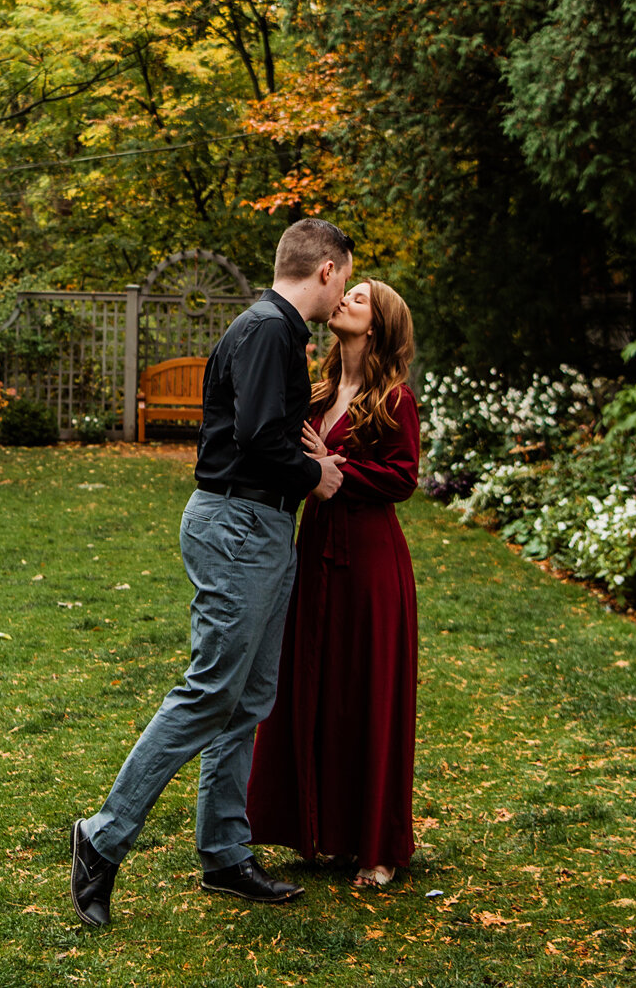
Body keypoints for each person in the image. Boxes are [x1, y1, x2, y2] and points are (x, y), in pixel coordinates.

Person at [69, 218, 354, 928]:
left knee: (248, 696)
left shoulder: (278, 331)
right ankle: (102, 836)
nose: (344, 288)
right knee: (208, 691)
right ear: (325, 270)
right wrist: (313, 471)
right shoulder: (266, 329)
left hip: (261, 526)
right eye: (345, 276)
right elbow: (259, 442)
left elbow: (259, 427)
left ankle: (225, 852)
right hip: (237, 523)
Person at [245, 279, 420, 888]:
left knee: (366, 691)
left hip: (371, 565)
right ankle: (317, 830)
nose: (345, 298)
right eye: (348, 291)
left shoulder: (394, 399)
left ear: (377, 325)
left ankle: (377, 846)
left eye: (360, 298)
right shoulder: (318, 395)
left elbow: (402, 478)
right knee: (312, 683)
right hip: (315, 548)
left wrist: (335, 469)